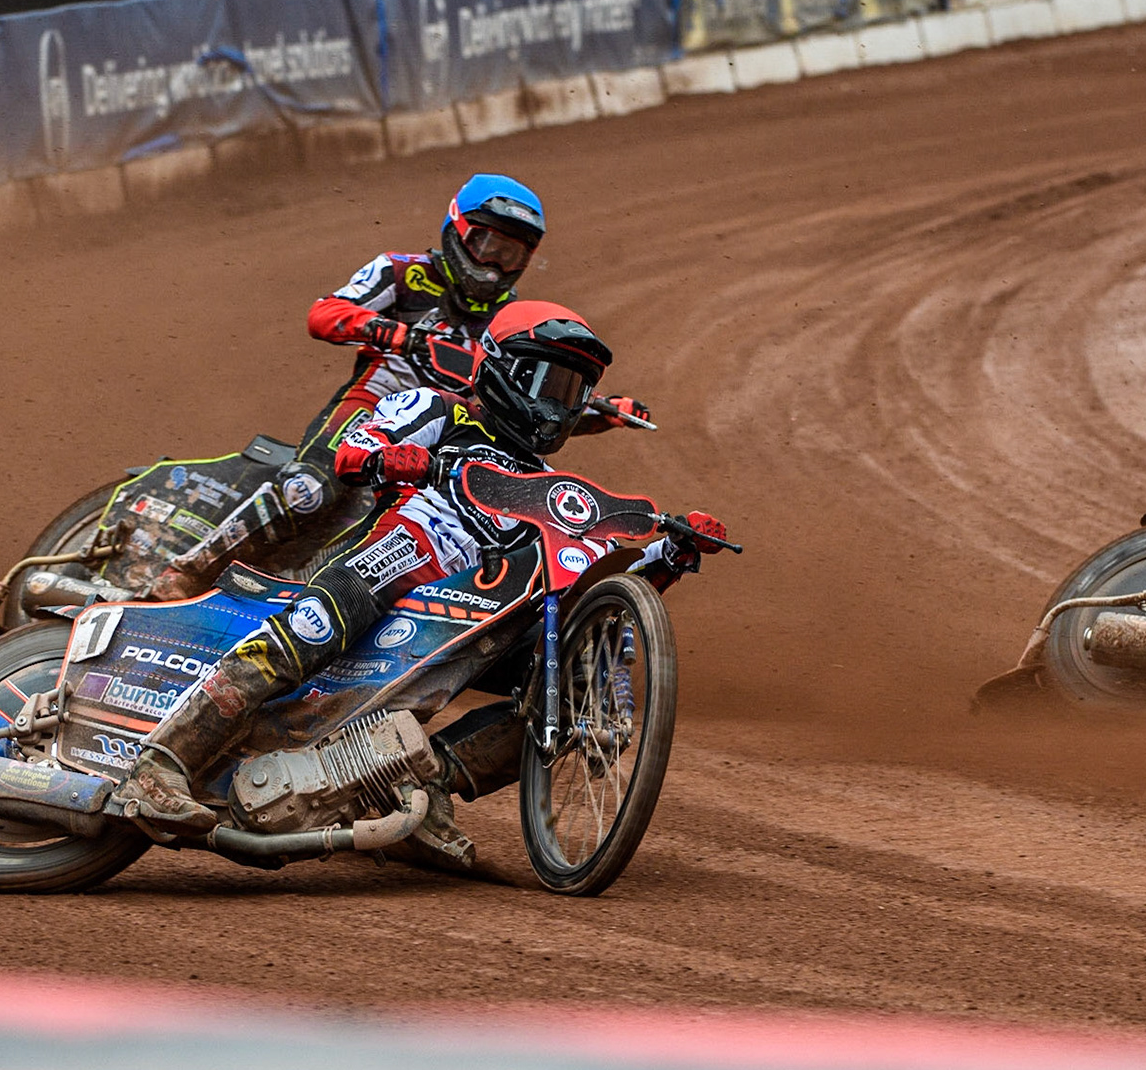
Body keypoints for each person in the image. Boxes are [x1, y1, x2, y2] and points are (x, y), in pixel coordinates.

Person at [115, 301, 723, 872]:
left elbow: (589, 590)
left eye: (572, 392)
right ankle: (160, 764)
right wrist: (391, 458)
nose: (558, 406)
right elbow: (354, 449)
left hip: (467, 611)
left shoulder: (547, 483)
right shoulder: (439, 409)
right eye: (546, 383)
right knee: (313, 629)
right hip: (394, 557)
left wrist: (669, 558)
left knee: (557, 692)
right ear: (502, 369)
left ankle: (426, 787)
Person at [147, 174, 648, 600]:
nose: (495, 264)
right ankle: (187, 569)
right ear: (458, 231)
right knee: (310, 489)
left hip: (449, 433)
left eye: (511, 254)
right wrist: (390, 331)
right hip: (372, 406)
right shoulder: (404, 273)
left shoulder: (510, 319)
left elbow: (523, 403)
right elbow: (324, 313)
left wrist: (599, 414)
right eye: (487, 245)